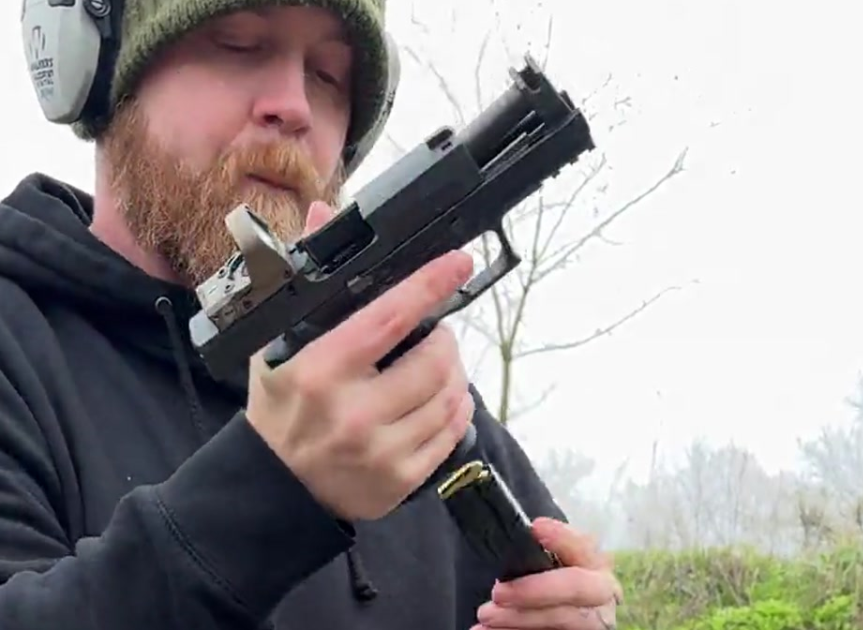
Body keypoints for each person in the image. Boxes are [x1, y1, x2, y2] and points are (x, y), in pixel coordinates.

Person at [0, 1, 622, 629]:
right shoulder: (15, 347)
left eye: (328, 75)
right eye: (238, 45)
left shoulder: (404, 386)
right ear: (103, 74)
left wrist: (575, 612)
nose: (293, 106)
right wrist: (269, 491)